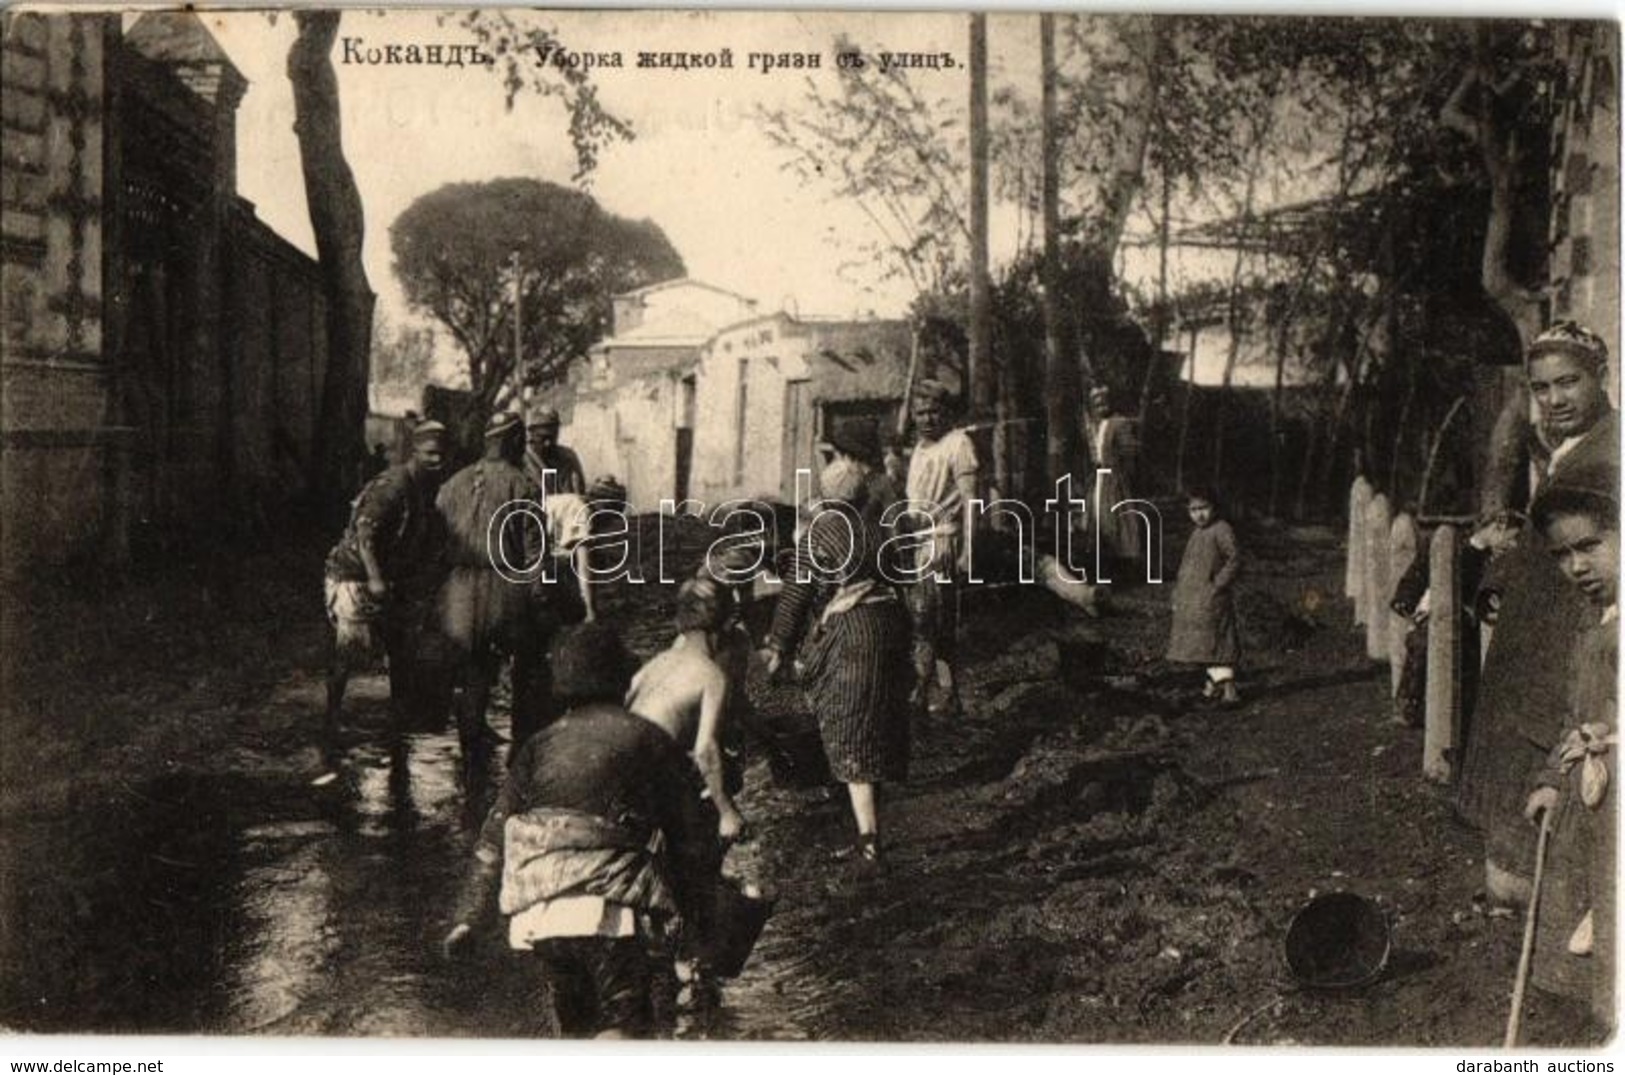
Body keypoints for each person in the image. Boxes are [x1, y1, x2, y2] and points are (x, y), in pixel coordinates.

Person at [442, 623, 723, 1040]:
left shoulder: (538, 745)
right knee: (624, 1024)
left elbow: (494, 839)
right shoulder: (646, 738)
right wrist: (697, 923)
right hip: (608, 911)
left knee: (574, 1027)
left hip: (543, 913)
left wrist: (469, 916)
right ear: (621, 679)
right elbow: (690, 836)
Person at [1457, 321, 1619, 905]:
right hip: (1538, 620)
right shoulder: (1566, 450)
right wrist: (1503, 578)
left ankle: (1555, 896)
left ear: (1600, 377)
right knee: (1520, 742)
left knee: (1556, 744)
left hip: (1577, 624)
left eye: (1568, 383)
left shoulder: (1611, 449)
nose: (1555, 400)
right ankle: (1524, 881)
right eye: (1542, 387)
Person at [762, 457, 913, 869]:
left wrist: (779, 646)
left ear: (827, 496)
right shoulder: (877, 528)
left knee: (851, 728)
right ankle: (873, 830)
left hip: (855, 633)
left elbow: (795, 595)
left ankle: (869, 842)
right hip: (891, 628)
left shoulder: (821, 532)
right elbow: (903, 579)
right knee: (877, 725)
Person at [1520, 474, 1617, 1037]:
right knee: (1586, 908)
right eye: (1563, 554)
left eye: (1590, 546)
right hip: (1590, 797)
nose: (1576, 566)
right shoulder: (1591, 622)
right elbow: (1573, 718)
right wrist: (1552, 779)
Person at [323, 419, 449, 743]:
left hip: (390, 576)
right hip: (355, 574)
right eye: (430, 454)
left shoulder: (424, 487)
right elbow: (365, 533)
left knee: (401, 645)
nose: (437, 460)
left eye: (441, 454)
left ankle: (399, 715)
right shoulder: (393, 485)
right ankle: (332, 717)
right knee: (348, 647)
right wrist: (375, 579)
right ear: (415, 451)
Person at [434, 412, 545, 759]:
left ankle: (471, 743)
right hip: (504, 586)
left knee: (471, 669)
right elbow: (533, 552)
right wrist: (538, 595)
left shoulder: (451, 484)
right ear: (513, 442)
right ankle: (522, 744)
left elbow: (435, 543)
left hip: (458, 590)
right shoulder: (523, 484)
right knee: (525, 663)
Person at [625, 579, 748, 842]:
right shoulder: (711, 674)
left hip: (625, 766)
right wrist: (726, 812)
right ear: (724, 627)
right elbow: (706, 750)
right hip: (651, 777)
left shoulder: (656, 663)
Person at [902, 379, 978, 720]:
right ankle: (945, 694)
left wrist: (968, 552)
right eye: (921, 413)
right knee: (928, 623)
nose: (927, 419)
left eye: (934, 411)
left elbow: (970, 501)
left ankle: (926, 694)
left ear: (946, 412)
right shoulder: (919, 449)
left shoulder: (957, 443)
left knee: (928, 621)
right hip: (916, 542)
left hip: (941, 542)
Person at [1166, 486, 1243, 707]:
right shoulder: (1197, 533)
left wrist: (1218, 583)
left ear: (1214, 507)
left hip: (1212, 598)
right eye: (1193, 510)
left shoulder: (1221, 529)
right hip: (1194, 599)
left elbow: (1235, 558)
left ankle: (1230, 691)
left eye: (1204, 508)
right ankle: (1211, 687)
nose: (1199, 514)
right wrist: (1178, 592)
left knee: (1219, 645)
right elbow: (1187, 565)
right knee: (1203, 646)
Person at [1085, 385, 1145, 578]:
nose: (1101, 406)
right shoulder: (1095, 425)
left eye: (1104, 402)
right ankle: (1104, 564)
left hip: (1115, 478)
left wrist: (1121, 476)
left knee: (1117, 519)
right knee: (1097, 519)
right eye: (1097, 403)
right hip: (1099, 478)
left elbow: (1130, 452)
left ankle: (1124, 565)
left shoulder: (1119, 423)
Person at [524, 406, 587, 500]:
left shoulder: (568, 457)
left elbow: (580, 494)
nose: (548, 443)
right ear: (531, 435)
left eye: (552, 438)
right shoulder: (522, 462)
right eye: (542, 438)